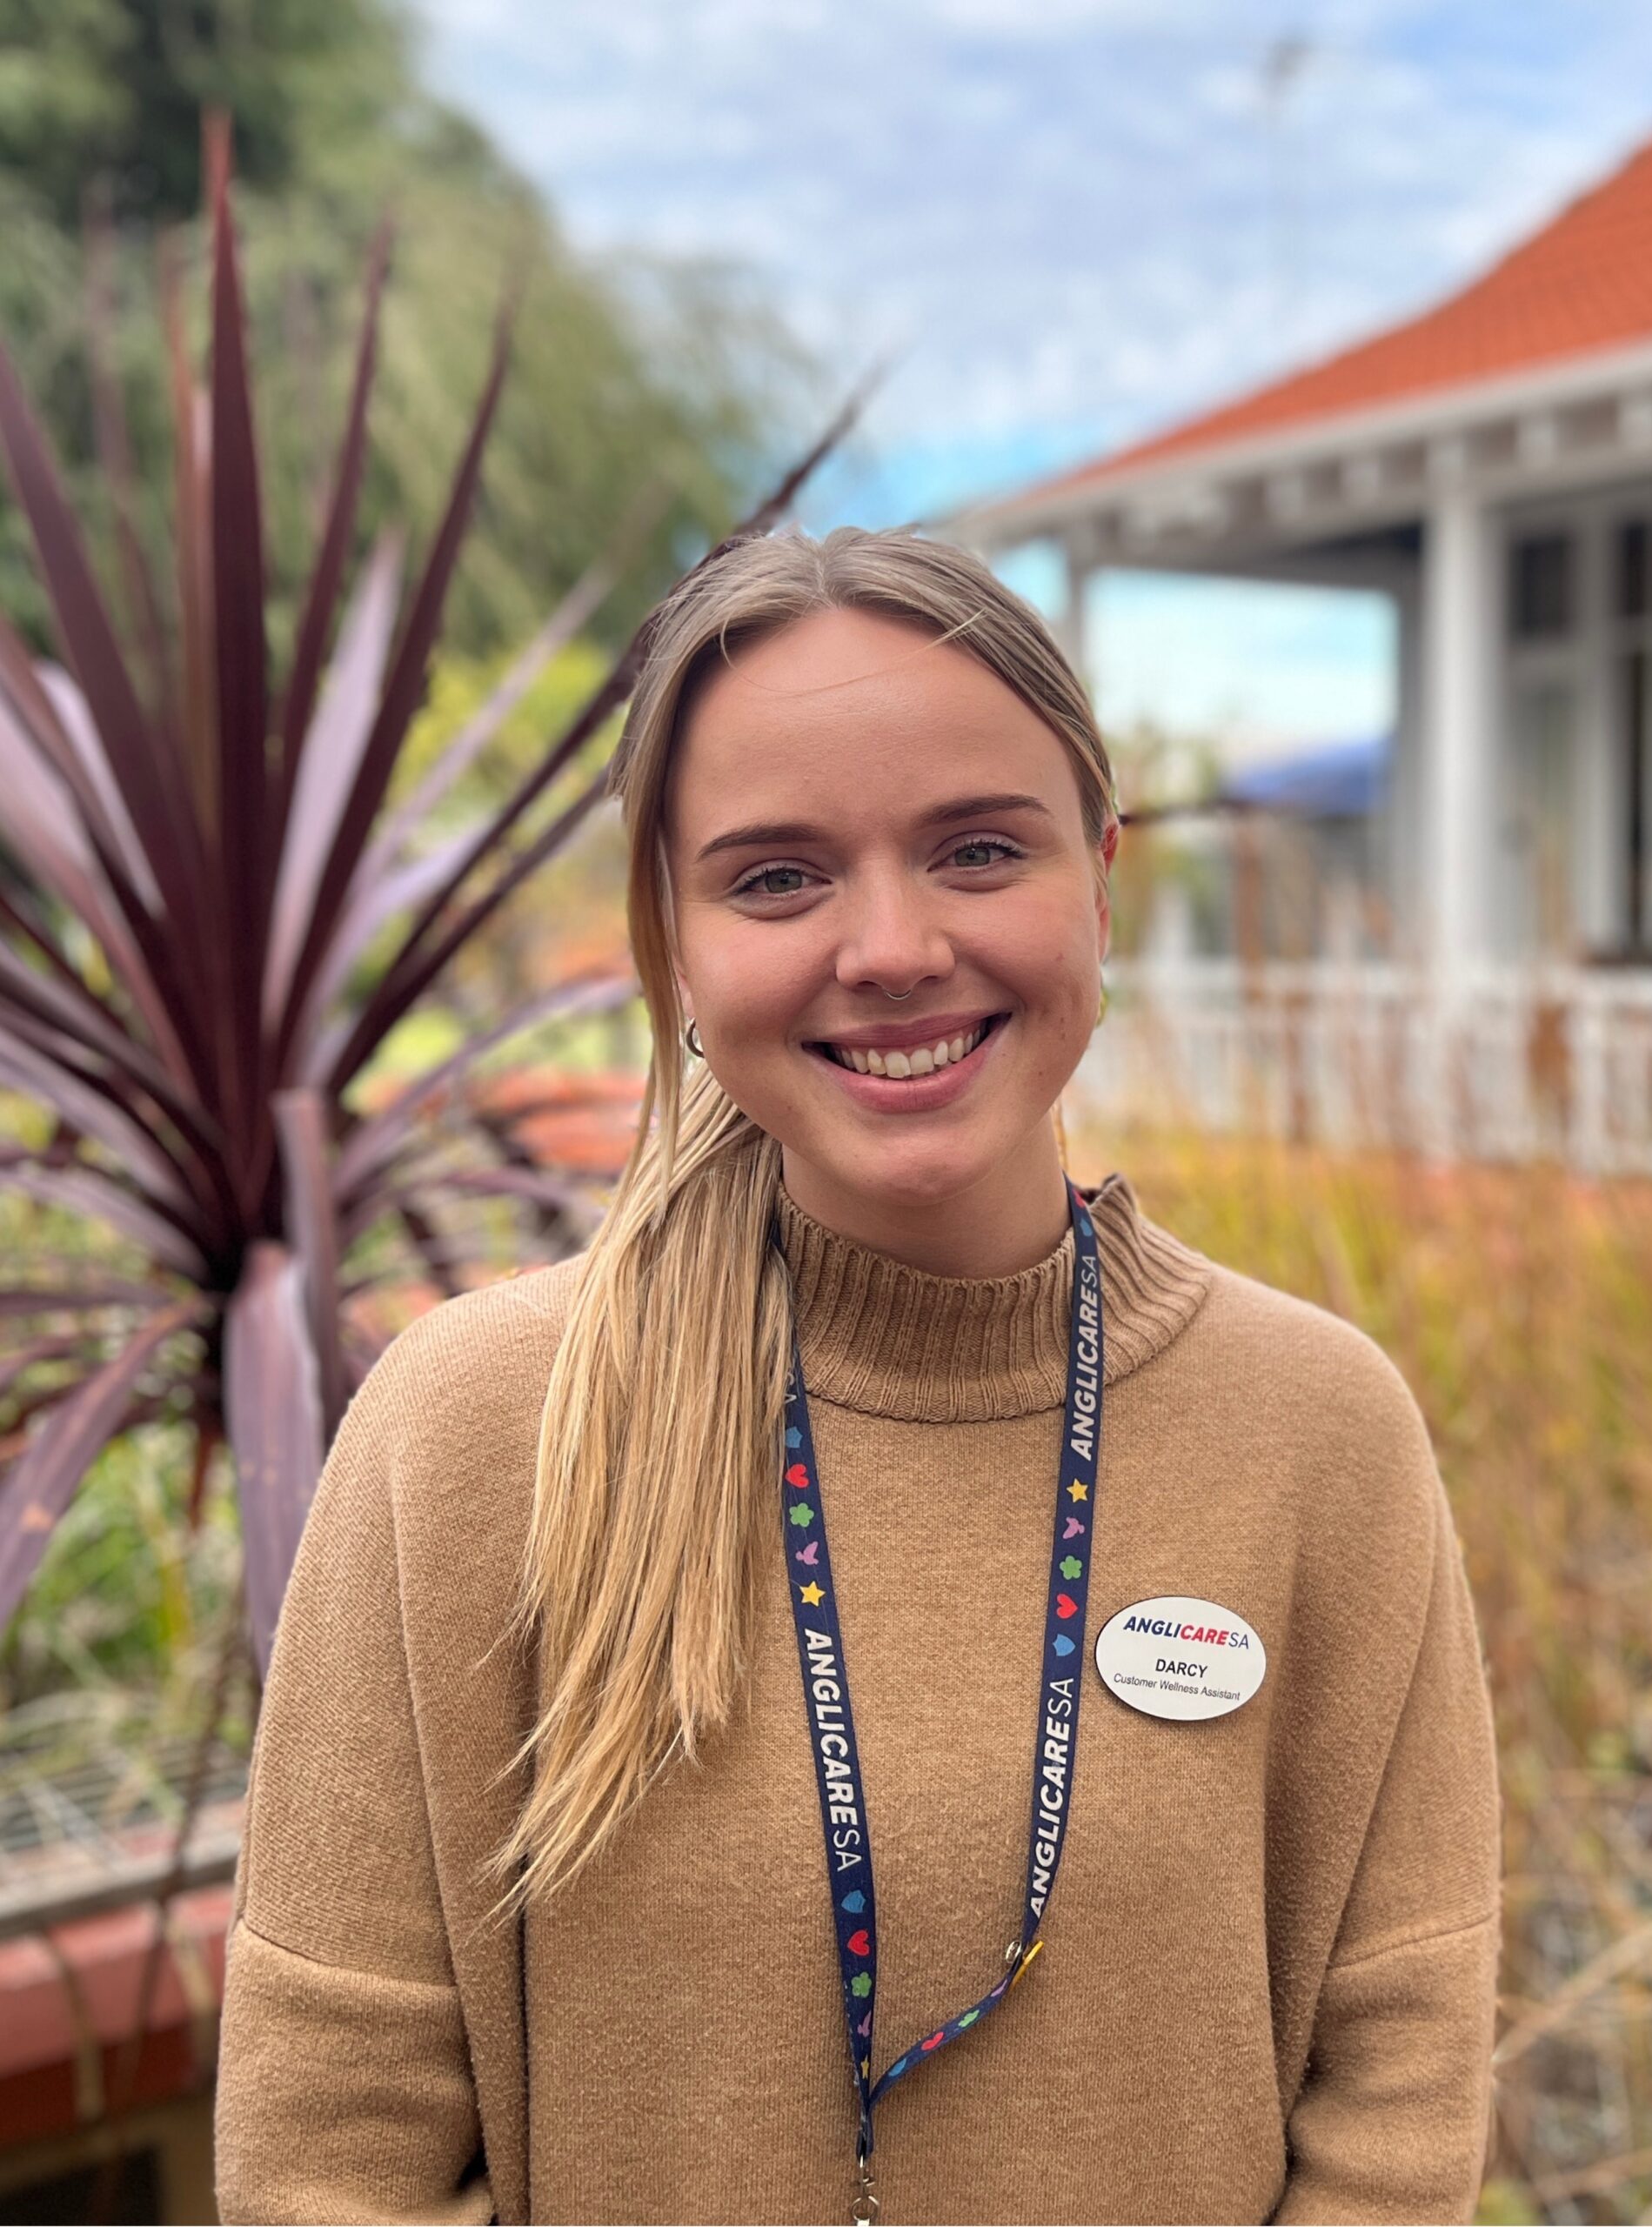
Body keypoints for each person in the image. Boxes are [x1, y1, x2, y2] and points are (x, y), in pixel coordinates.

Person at [212, 526, 1502, 2226]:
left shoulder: (1314, 1432)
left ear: (1101, 882)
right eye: (774, 876)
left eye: (976, 849)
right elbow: (328, 2154)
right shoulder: (470, 1435)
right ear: (669, 941)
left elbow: (1395, 2098)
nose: (889, 945)